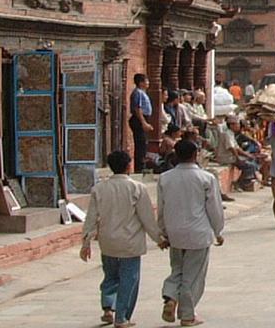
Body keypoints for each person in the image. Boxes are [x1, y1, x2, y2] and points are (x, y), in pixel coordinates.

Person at [81, 150, 165, 327]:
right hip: (130, 243)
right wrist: (158, 238)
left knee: (110, 276)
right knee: (129, 280)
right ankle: (121, 317)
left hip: (108, 241)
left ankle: (107, 307)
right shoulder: (137, 188)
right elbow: (147, 218)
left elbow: (91, 217)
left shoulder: (99, 189)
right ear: (128, 165)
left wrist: (86, 241)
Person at [156, 139, 225, 326]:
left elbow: (161, 209)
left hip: (174, 231)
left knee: (177, 269)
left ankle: (170, 296)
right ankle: (187, 314)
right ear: (196, 155)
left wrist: (162, 232)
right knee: (193, 275)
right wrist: (218, 231)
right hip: (198, 232)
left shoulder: (165, 178)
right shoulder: (206, 178)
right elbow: (215, 209)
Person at [129, 73, 153, 173]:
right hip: (139, 119)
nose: (148, 83)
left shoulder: (143, 92)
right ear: (141, 82)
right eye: (146, 81)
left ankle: (142, 165)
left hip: (144, 118)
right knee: (140, 144)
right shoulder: (137, 93)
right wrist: (143, 123)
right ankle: (140, 167)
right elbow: (137, 108)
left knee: (143, 143)